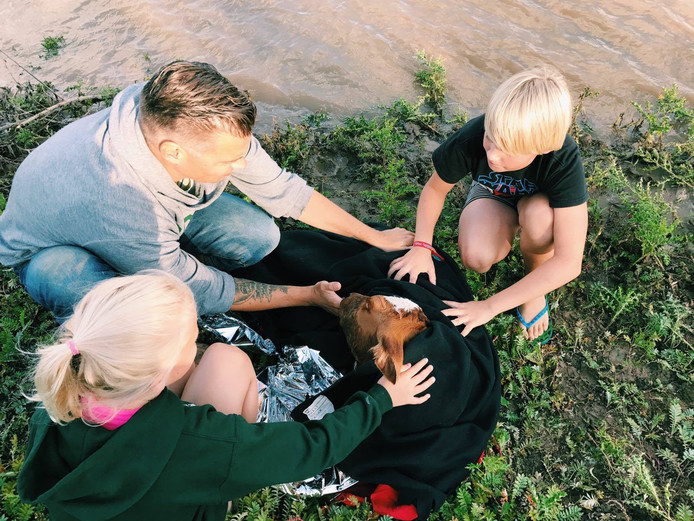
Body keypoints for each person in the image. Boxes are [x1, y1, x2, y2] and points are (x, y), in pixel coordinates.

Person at [0, 60, 414, 322]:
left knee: (259, 238)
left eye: (242, 152)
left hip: (148, 219)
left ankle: (158, 259)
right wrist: (305, 296)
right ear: (173, 152)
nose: (240, 165)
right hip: (53, 252)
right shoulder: (122, 202)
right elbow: (197, 289)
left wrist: (373, 236)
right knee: (87, 285)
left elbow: (283, 190)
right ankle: (105, 312)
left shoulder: (187, 120)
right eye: (227, 161)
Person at [17, 271, 435, 520]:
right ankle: (226, 487)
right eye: (189, 338)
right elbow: (315, 448)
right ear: (155, 379)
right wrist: (383, 399)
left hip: (128, 491)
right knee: (227, 362)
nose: (197, 337)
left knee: (222, 358)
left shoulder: (60, 397)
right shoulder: (203, 443)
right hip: (187, 491)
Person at [388, 66, 588, 343]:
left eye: (507, 149)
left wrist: (489, 307)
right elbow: (435, 189)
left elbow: (569, 262)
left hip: (538, 205)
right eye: (491, 139)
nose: (493, 155)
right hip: (493, 194)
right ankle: (504, 226)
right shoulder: (473, 136)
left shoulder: (562, 157)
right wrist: (422, 245)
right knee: (476, 258)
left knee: (541, 218)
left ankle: (534, 288)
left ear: (542, 148)